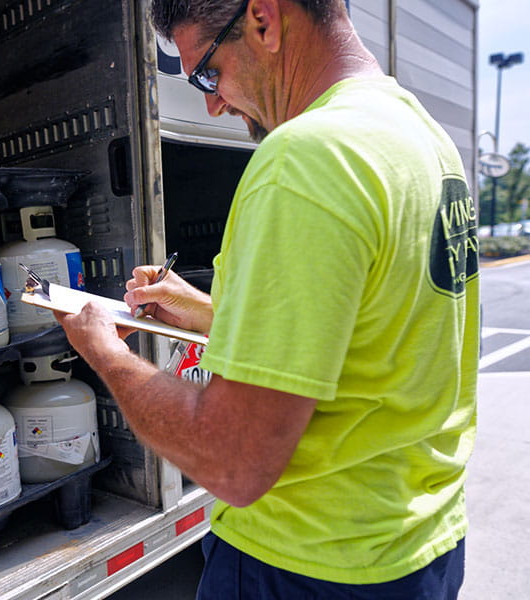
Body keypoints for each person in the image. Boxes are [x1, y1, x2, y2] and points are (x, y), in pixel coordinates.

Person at [55, 0, 479, 598]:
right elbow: (375, 327)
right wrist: (206, 311)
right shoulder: (420, 140)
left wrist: (107, 354)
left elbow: (232, 460)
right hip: (416, 548)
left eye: (206, 71)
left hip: (305, 567)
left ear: (263, 19)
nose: (212, 102)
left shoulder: (305, 159)